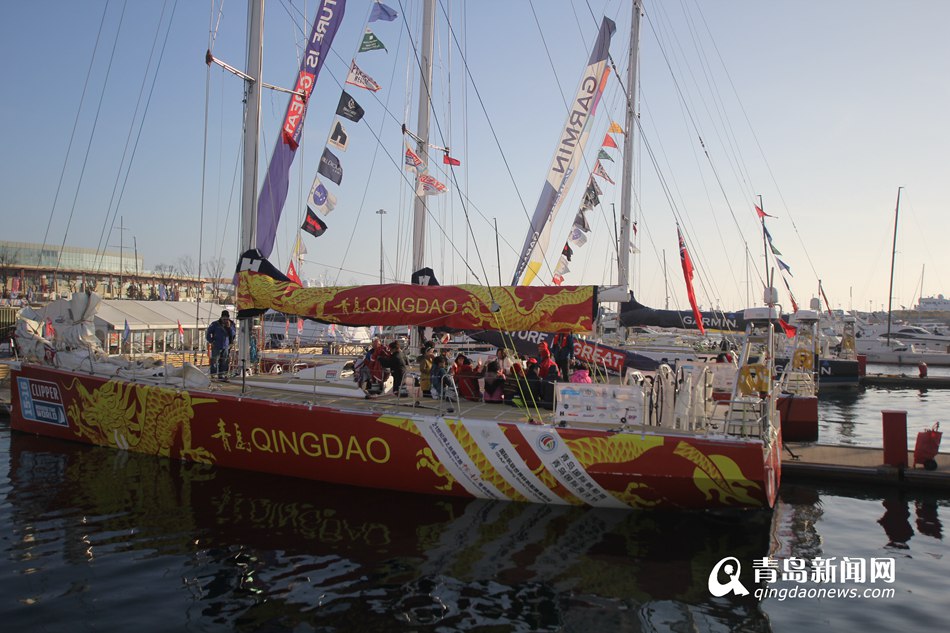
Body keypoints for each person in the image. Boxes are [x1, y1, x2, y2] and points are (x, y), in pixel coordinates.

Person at [206, 310, 236, 381]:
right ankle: (213, 375)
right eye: (224, 318)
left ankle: (222, 375)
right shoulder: (215, 324)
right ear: (221, 317)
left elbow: (233, 334)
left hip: (226, 346)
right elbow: (208, 333)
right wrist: (211, 341)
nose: (225, 320)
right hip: (216, 345)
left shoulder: (231, 324)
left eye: (226, 319)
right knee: (214, 361)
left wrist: (229, 327)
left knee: (224, 361)